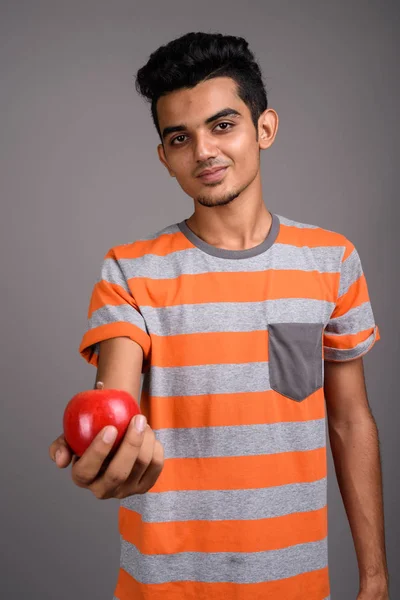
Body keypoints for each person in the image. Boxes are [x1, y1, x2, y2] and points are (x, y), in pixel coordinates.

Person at [49, 31, 389, 600]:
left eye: (223, 125)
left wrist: (375, 578)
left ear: (265, 128)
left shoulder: (333, 260)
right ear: (164, 157)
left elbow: (351, 422)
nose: (203, 150)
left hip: (298, 587)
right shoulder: (129, 271)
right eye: (180, 137)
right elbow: (118, 402)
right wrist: (112, 453)